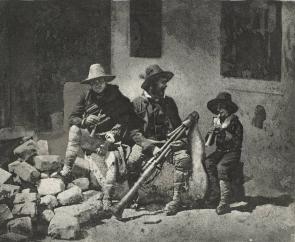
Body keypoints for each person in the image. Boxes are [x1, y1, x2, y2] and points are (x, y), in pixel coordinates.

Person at [53, 63, 143, 212]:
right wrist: (84, 121)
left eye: (100, 81)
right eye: (93, 82)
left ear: (105, 81)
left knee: (112, 160)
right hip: (92, 138)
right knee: (75, 129)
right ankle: (66, 170)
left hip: (111, 137)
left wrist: (110, 138)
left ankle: (107, 199)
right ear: (90, 84)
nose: (97, 84)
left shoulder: (116, 95)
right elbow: (72, 118)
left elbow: (124, 119)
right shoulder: (86, 96)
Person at [130, 64, 194, 216]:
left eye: (165, 81)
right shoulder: (137, 103)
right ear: (151, 84)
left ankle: (176, 200)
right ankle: (133, 197)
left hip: (169, 144)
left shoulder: (169, 102)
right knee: (132, 160)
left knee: (184, 159)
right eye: (162, 82)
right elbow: (133, 131)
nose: (165, 85)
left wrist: (182, 142)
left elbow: (179, 127)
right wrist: (150, 148)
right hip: (147, 144)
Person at [204, 92, 243, 215]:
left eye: (222, 107)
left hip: (232, 152)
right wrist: (210, 133)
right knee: (208, 162)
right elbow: (208, 143)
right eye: (217, 107)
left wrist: (223, 132)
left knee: (221, 167)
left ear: (229, 109)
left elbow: (237, 142)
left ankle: (224, 202)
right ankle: (215, 194)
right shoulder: (217, 121)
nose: (218, 110)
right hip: (220, 151)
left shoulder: (235, 122)